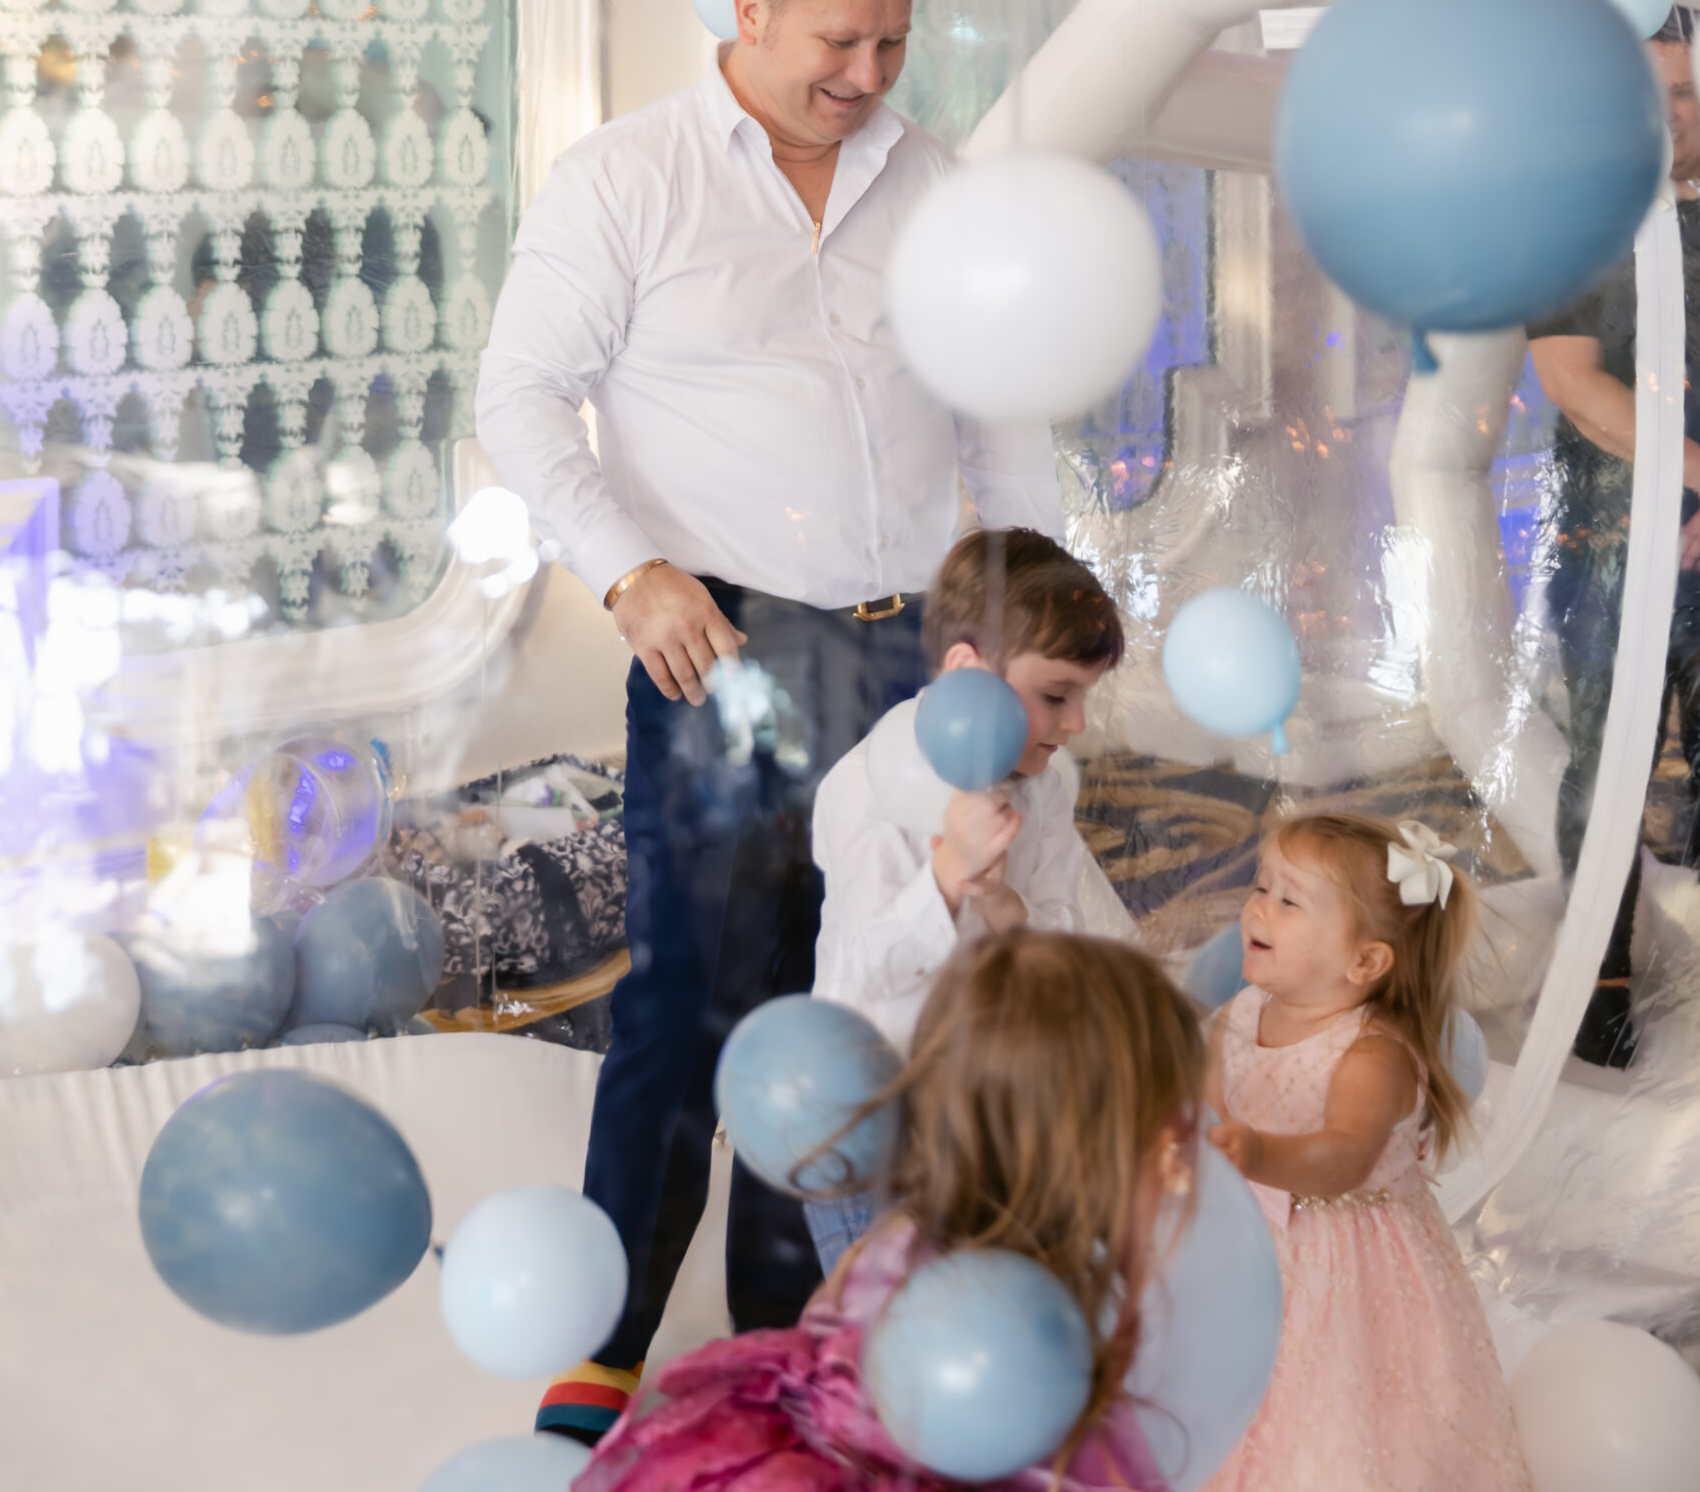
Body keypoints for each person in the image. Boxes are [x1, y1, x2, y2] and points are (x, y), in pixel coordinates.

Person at [475, 0, 1063, 1446]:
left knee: (861, 998)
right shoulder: (627, 178)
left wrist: (1014, 643)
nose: (866, 77)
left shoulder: (939, 190)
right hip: (721, 646)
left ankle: (786, 1332)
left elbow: (1003, 426)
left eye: (891, 43)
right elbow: (521, 395)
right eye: (836, 39)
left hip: (914, 660)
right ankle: (599, 1349)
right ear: (749, 7)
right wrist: (630, 573)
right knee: (694, 1003)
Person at [579, 933, 1203, 1492]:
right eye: (1169, 1135)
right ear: (1089, 1154)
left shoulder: (899, 1242)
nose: (1183, 1165)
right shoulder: (1031, 1337)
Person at [804, 525, 1126, 1271]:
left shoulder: (1040, 787)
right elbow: (860, 972)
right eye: (1056, 695)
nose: (1075, 724)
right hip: (869, 1114)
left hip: (976, 1104)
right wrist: (947, 880)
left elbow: (1054, 930)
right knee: (883, 1334)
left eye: (1083, 697)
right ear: (966, 670)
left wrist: (1008, 908)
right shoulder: (871, 785)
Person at [1200, 813, 1531, 1492]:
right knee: (1229, 1393)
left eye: (1288, 900)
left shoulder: (1370, 1053)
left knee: (1330, 1404)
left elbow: (1343, 1157)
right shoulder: (1234, 1017)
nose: (1256, 906)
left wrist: (1255, 1151)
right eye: (1260, 886)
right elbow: (1203, 1117)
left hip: (1341, 1257)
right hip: (1240, 1244)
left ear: (1364, 961)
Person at [1527, 8, 1700, 1070]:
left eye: (1683, 93)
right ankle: (1602, 984)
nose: (1668, 115)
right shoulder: (1573, 224)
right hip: (1608, 540)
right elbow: (1573, 383)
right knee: (1607, 767)